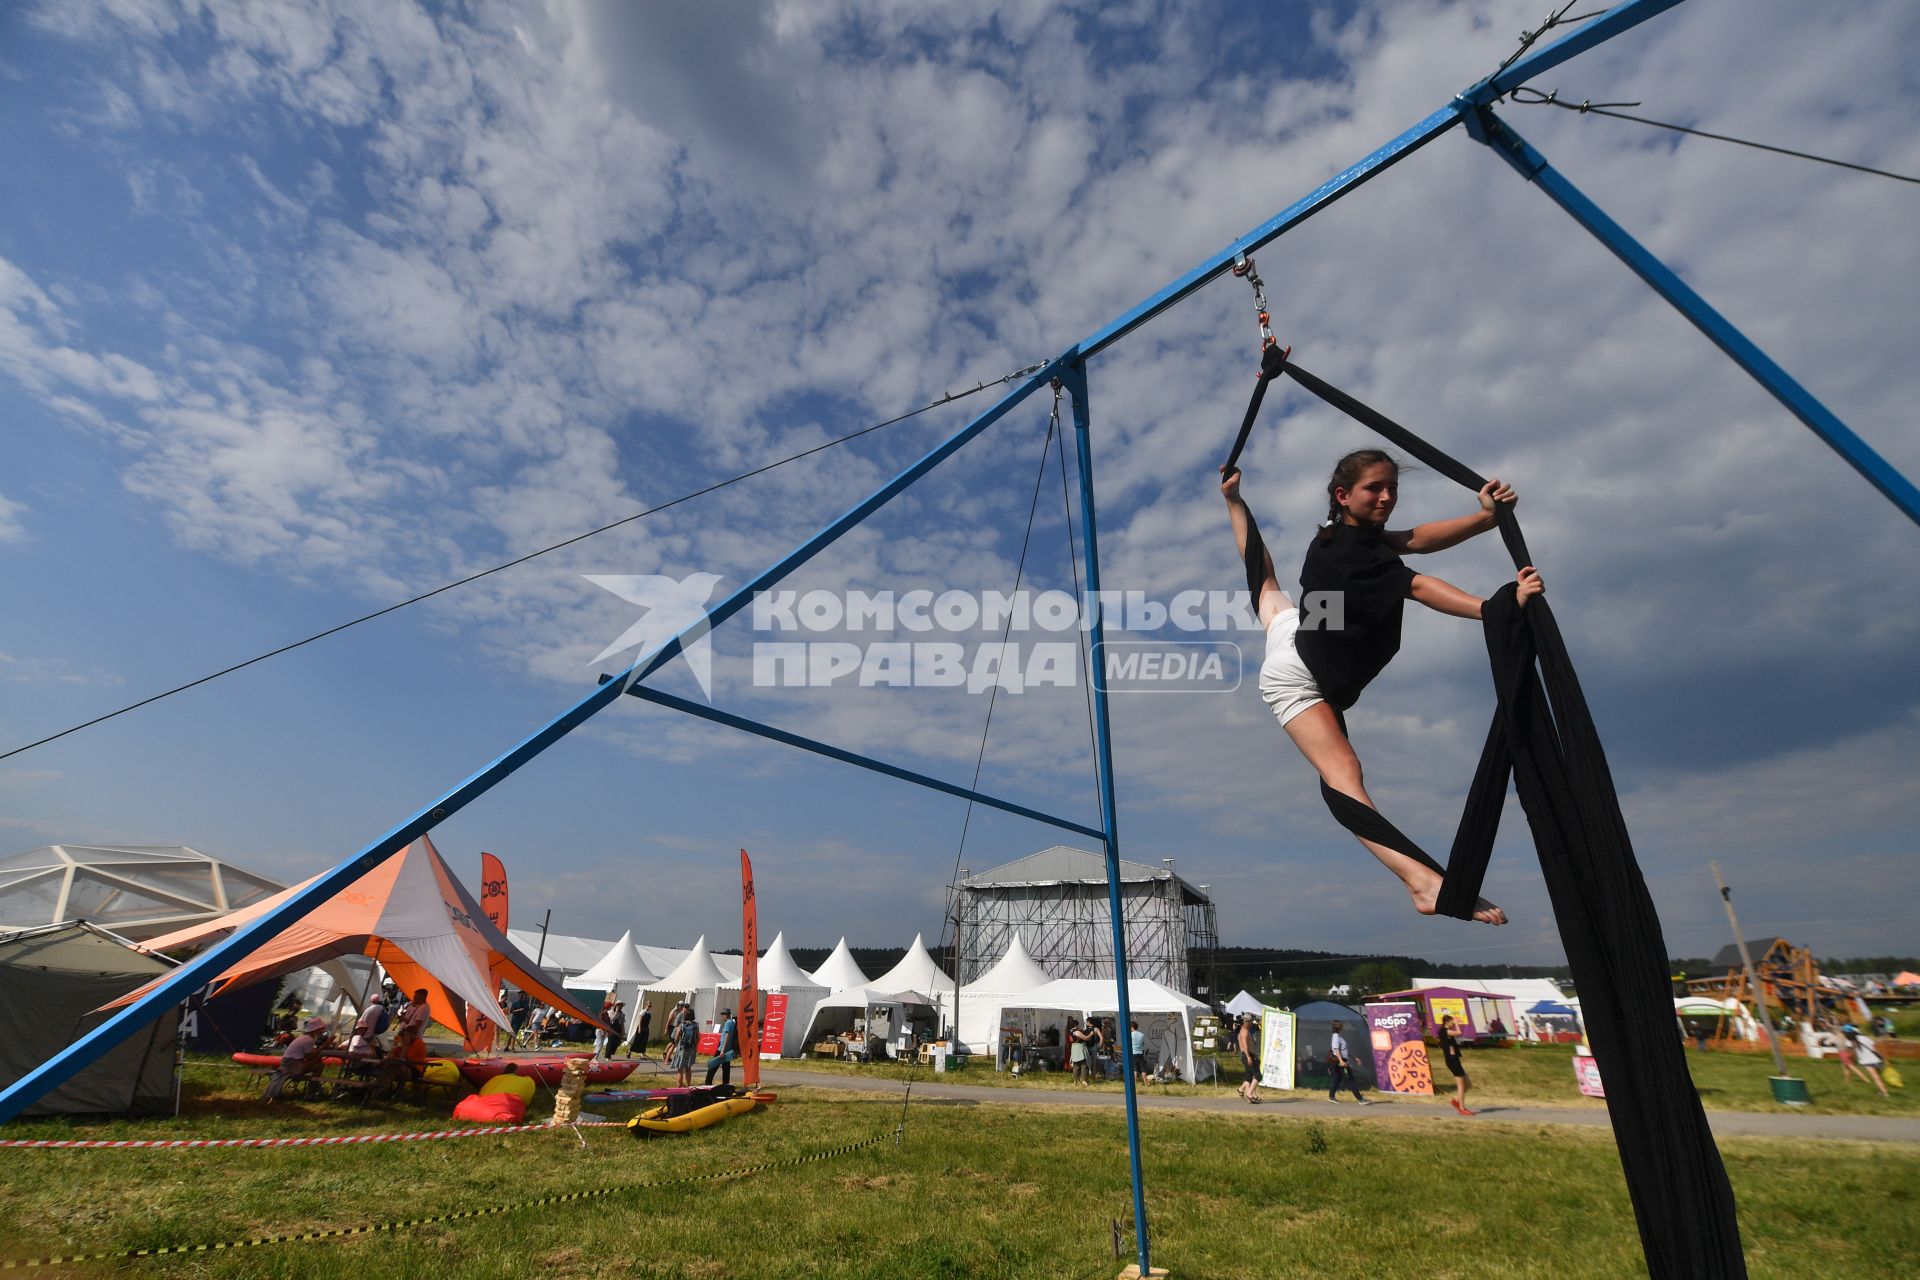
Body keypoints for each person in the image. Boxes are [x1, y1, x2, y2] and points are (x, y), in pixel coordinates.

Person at [1221, 454, 1541, 925]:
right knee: (1344, 775)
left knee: (1265, 583)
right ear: (1343, 495)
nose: (1388, 497)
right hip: (1300, 672)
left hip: (1298, 630)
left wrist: (1484, 519)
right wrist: (1494, 608)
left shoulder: (1345, 539)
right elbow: (1419, 586)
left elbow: (1414, 540)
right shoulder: (1349, 556)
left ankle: (1422, 881)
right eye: (1375, 488)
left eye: (1392, 487)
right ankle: (1422, 883)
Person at [265, 1017, 332, 1101]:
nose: (322, 1031)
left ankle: (315, 1088)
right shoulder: (309, 1040)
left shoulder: (304, 1038)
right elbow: (310, 1057)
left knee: (317, 1062)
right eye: (321, 1029)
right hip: (292, 1066)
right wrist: (325, 1046)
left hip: (287, 1064)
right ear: (316, 1029)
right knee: (319, 1066)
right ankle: (311, 1093)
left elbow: (307, 1056)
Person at [1326, 1020, 1370, 1105]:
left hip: (1340, 1059)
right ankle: (1360, 1099)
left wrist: (1354, 1058)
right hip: (1340, 1061)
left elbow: (1343, 1050)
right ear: (1339, 1027)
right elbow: (1336, 1050)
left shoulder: (1338, 1036)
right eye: (1342, 1025)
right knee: (1350, 1079)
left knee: (1337, 1078)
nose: (1343, 1027)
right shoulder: (1336, 1037)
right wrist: (1341, 1061)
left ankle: (1331, 1096)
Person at [1437, 1014, 1473, 1115]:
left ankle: (1456, 1101)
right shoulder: (1445, 1031)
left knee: (1468, 1084)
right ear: (1447, 1022)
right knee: (1461, 1086)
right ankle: (1462, 1108)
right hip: (1452, 1060)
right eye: (1452, 1022)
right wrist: (1457, 1024)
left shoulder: (1444, 1031)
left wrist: (1456, 1021)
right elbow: (1459, 1032)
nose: (1453, 1023)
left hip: (1455, 1060)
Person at [1844, 1025, 1891, 1098]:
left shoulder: (1850, 1042)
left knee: (1876, 1077)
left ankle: (1885, 1093)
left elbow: (1852, 1053)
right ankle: (1881, 1090)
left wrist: (1853, 1058)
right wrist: (1882, 1058)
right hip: (1876, 1059)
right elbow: (1875, 1049)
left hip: (1866, 1061)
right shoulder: (1865, 1038)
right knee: (1878, 1076)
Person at [704, 1008, 740, 1088]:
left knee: (713, 1065)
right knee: (726, 1067)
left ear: (725, 1015)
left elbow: (727, 1037)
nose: (721, 1017)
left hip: (722, 1048)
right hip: (727, 1048)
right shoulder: (732, 1023)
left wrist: (722, 1050)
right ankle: (726, 1084)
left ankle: (708, 1082)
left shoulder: (728, 1023)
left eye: (722, 1015)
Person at [1236, 1014, 1262, 1104]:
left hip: (1247, 1055)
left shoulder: (1244, 1031)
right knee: (1258, 1076)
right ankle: (1250, 1094)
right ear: (1246, 1022)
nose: (1252, 1023)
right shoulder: (1244, 1032)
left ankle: (1241, 1089)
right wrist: (1249, 1057)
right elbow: (1245, 1045)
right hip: (1248, 1055)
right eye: (1250, 1022)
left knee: (1249, 1077)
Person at [670, 1008, 699, 1088]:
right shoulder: (696, 1025)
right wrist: (695, 1047)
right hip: (691, 1048)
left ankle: (678, 1087)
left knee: (680, 1069)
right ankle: (688, 1086)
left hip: (682, 1048)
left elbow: (676, 1037)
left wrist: (675, 1044)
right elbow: (698, 1038)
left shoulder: (682, 1024)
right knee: (688, 1068)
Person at [1067, 1017, 1088, 1086]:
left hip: (1074, 1047)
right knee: (1083, 1064)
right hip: (1079, 1048)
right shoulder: (1077, 1032)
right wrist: (1091, 1034)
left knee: (1075, 1065)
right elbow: (1085, 1038)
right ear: (1076, 1025)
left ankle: (1075, 1080)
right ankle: (1084, 1080)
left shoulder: (1070, 1031)